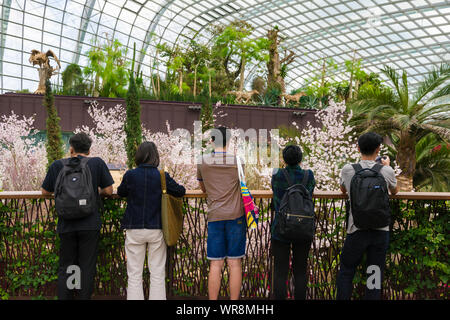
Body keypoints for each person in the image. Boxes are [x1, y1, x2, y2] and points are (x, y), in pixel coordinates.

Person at [41, 132, 114, 300]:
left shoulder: (57, 165)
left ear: (71, 149)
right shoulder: (96, 163)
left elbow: (45, 191)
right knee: (86, 267)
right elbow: (109, 191)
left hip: (66, 224)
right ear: (89, 150)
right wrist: (97, 192)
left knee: (67, 266)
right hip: (90, 224)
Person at [117, 141, 185, 300]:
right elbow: (180, 191)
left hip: (135, 228)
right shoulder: (161, 176)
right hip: (156, 228)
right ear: (155, 156)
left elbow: (121, 192)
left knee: (134, 273)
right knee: (157, 273)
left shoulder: (130, 175)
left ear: (139, 155)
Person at [336, 132, 398, 300]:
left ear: (358, 148)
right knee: (374, 272)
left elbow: (343, 190)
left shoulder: (349, 169)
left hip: (356, 229)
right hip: (380, 230)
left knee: (347, 271)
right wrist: (387, 166)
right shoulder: (386, 170)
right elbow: (395, 191)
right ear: (378, 149)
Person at [197, 126, 246, 300]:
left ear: (212, 141)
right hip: (236, 216)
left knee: (215, 264)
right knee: (235, 263)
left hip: (215, 215)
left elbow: (202, 187)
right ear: (229, 141)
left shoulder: (202, 161)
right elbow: (242, 186)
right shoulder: (237, 161)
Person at [270, 145, 316, 300]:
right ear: (300, 158)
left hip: (281, 227)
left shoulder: (277, 174)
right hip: (303, 226)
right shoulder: (309, 175)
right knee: (301, 270)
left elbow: (275, 192)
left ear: (284, 158)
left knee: (280, 271)